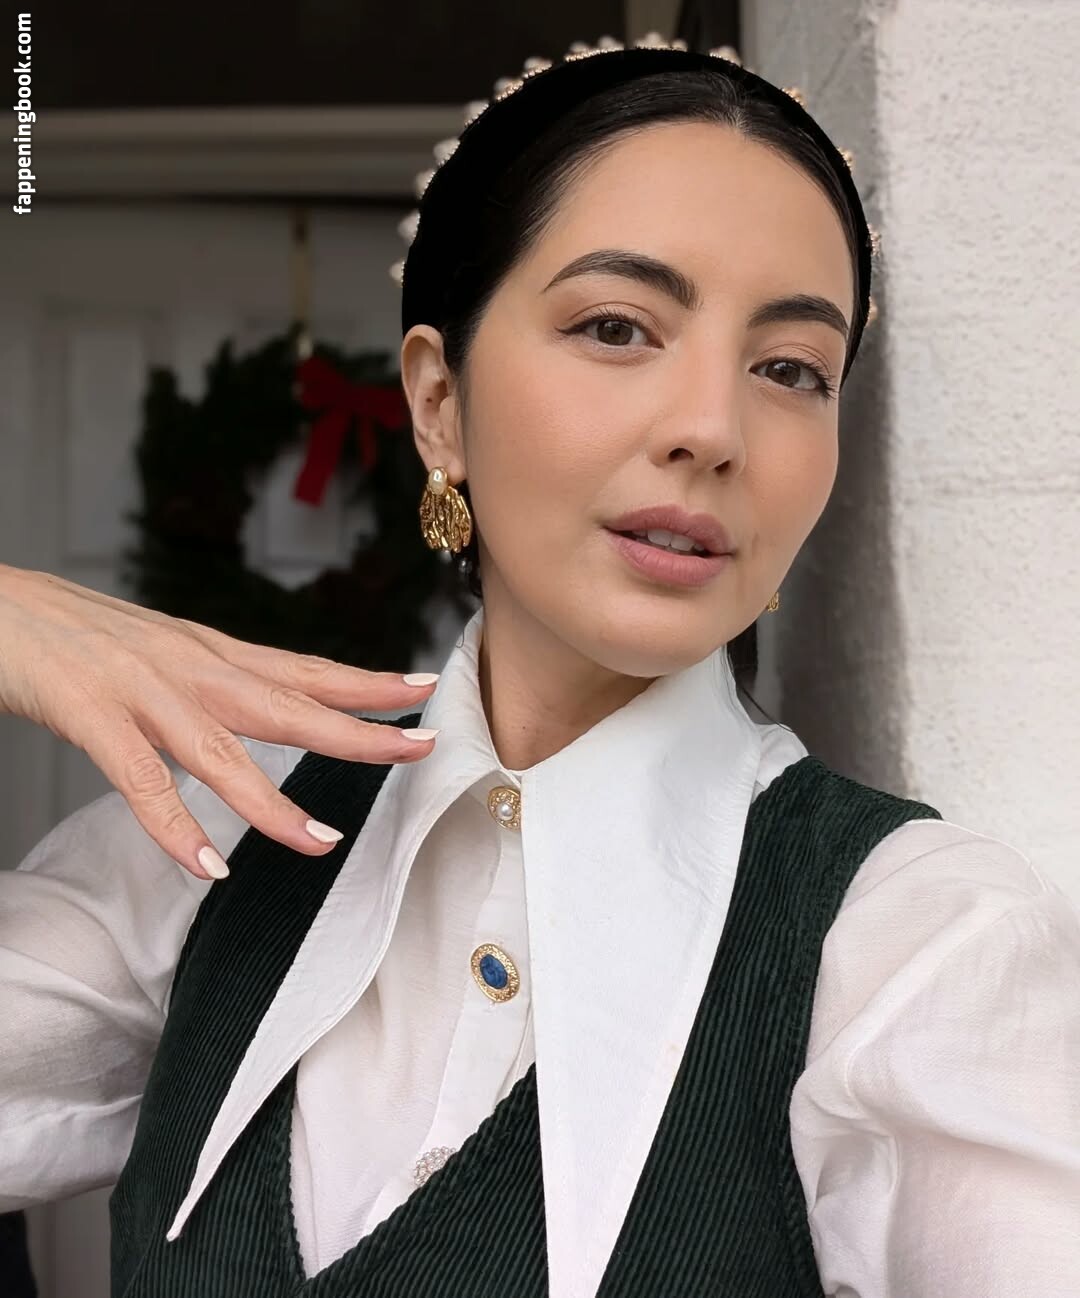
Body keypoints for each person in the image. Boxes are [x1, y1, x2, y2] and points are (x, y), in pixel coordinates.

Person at [2, 35, 1079, 1298]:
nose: (711, 428)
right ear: (438, 402)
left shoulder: (914, 943)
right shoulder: (216, 835)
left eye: (791, 368)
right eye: (617, 326)